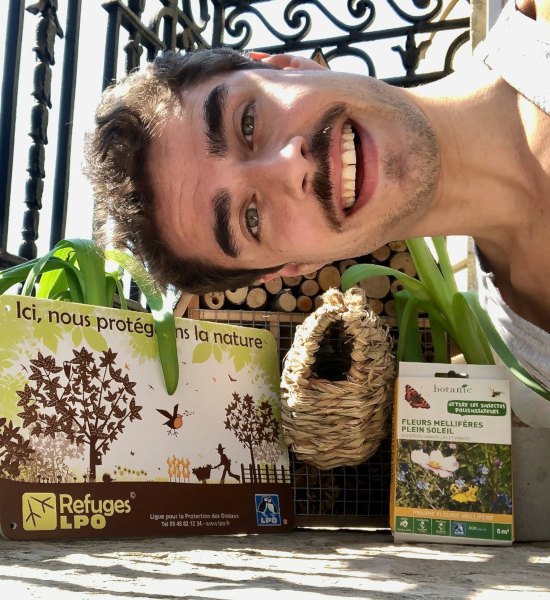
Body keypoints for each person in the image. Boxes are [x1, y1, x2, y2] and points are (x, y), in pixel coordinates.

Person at [84, 0, 550, 389]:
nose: (290, 166)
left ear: (284, 65)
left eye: (248, 122)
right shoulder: (531, 355)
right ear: (294, 267)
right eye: (250, 219)